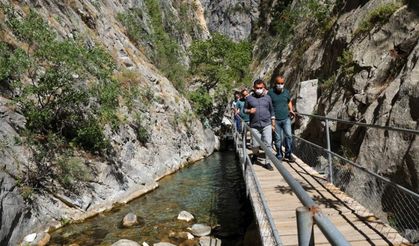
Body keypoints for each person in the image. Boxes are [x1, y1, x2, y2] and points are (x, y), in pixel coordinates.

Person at [245, 79, 275, 170]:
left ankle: (268, 162)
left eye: (261, 88)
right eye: (257, 88)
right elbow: (244, 110)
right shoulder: (249, 98)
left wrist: (273, 124)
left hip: (267, 124)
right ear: (254, 88)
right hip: (254, 126)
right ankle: (255, 155)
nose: (259, 89)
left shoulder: (268, 98)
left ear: (264, 87)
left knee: (268, 144)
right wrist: (250, 111)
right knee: (254, 145)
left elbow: (272, 111)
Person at [268, 75, 296, 162]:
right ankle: (279, 154)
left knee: (289, 136)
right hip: (275, 120)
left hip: (286, 118)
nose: (280, 85)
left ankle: (288, 154)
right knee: (278, 138)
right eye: (278, 83)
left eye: (282, 83)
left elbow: (289, 101)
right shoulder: (270, 93)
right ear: (275, 83)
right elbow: (268, 105)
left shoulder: (286, 92)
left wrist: (291, 109)